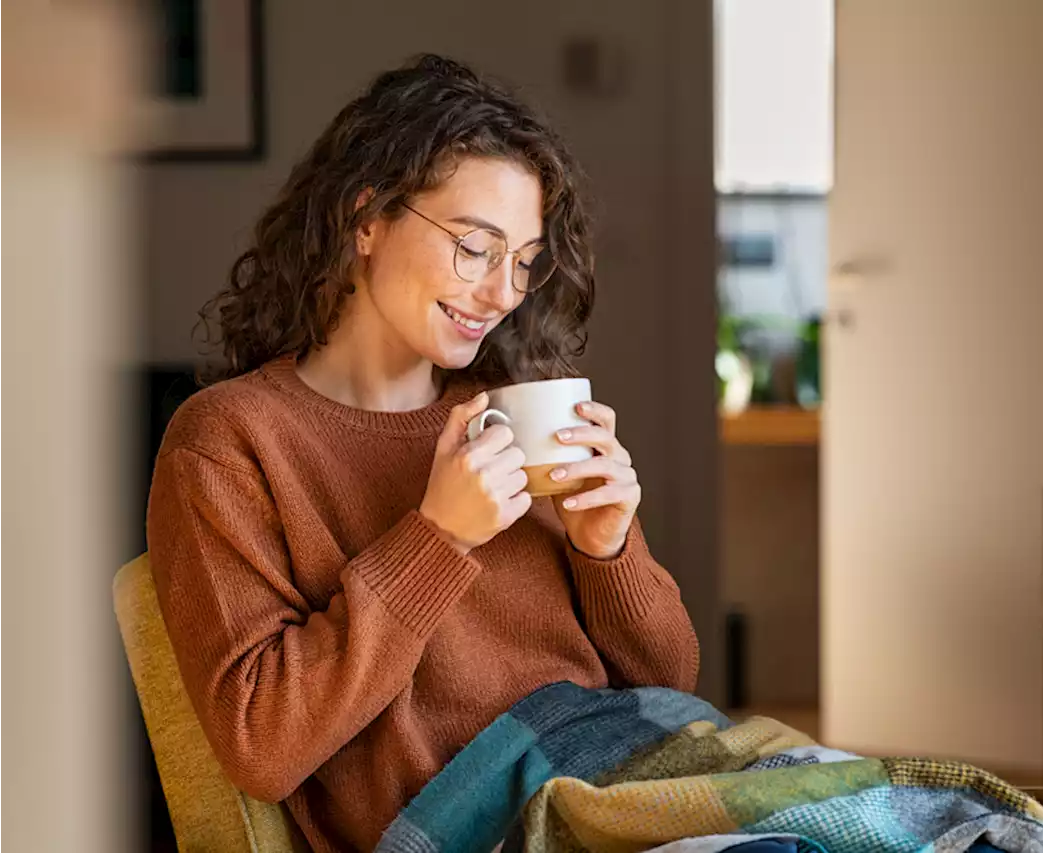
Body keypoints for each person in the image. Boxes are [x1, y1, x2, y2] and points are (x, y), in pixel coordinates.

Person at [146, 54, 699, 853]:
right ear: (367, 217)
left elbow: (670, 686)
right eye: (476, 247)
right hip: (480, 826)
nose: (504, 292)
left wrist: (608, 548)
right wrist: (438, 538)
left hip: (632, 785)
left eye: (523, 262)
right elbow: (261, 741)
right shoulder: (230, 441)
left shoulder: (512, 411)